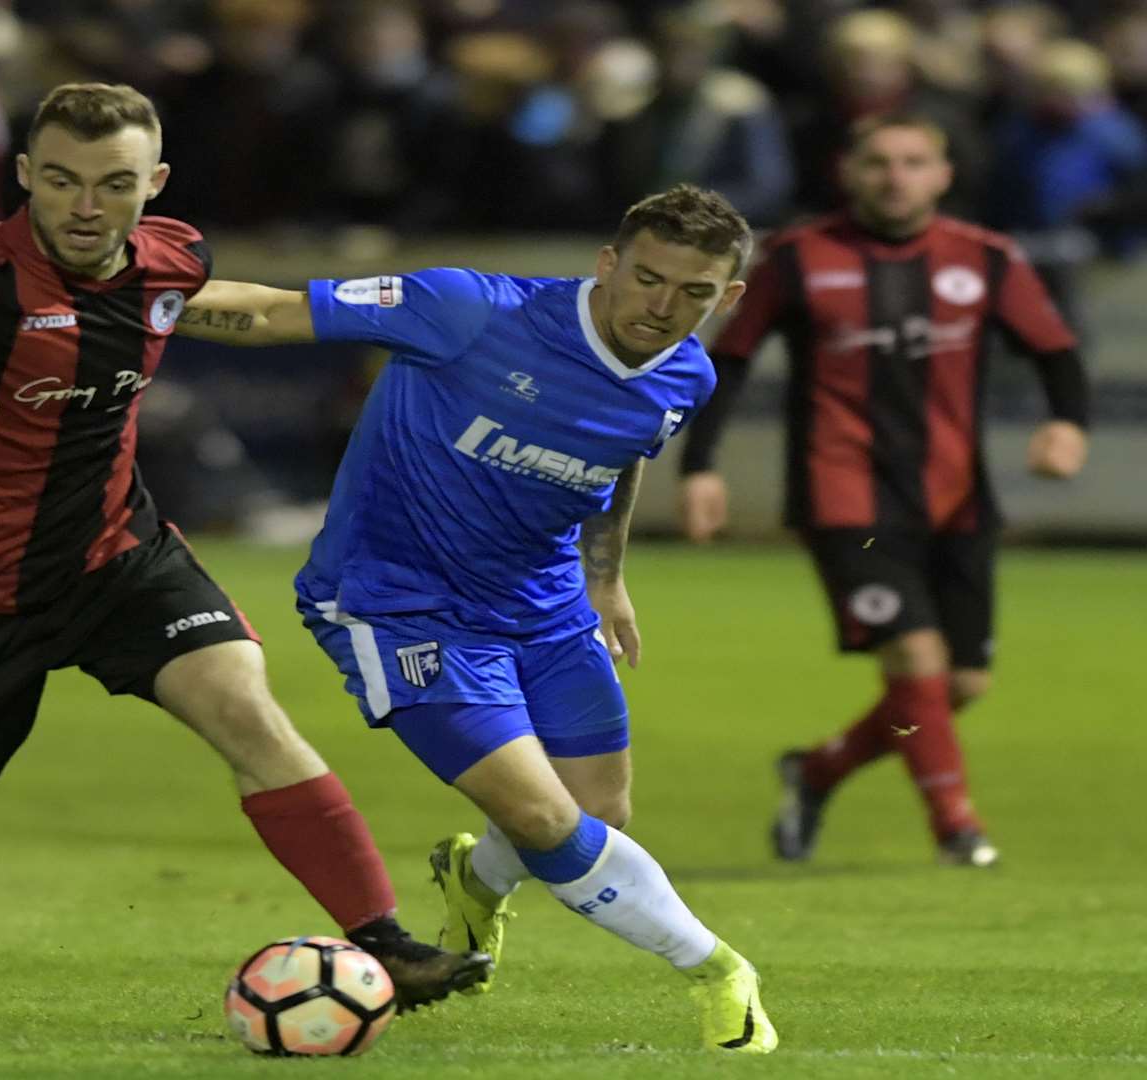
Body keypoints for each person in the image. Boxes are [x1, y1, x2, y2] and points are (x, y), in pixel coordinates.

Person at [0, 81, 491, 1035]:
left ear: (156, 183)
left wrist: (415, 317)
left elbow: (239, 310)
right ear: (24, 177)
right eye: (59, 181)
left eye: (112, 183)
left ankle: (383, 942)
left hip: (117, 558)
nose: (84, 205)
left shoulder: (170, 257)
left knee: (248, 711)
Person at [172, 184, 779, 1054]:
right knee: (547, 824)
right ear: (607, 263)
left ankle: (472, 875)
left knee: (598, 814)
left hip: (546, 602)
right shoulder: (467, 309)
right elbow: (270, 314)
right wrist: (129, 302)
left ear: (729, 299)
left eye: (692, 293)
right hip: (398, 604)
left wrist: (605, 579)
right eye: (648, 278)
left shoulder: (687, 374)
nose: (662, 306)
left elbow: (615, 464)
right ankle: (719, 971)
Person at [677, 114, 1090, 869]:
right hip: (846, 498)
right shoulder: (799, 257)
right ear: (848, 171)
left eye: (913, 161)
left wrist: (1067, 424)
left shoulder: (986, 258)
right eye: (878, 162)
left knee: (960, 682)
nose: (895, 176)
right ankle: (957, 827)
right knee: (914, 656)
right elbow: (728, 362)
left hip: (958, 498)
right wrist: (699, 464)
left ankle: (818, 769)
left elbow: (1057, 351)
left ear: (942, 174)